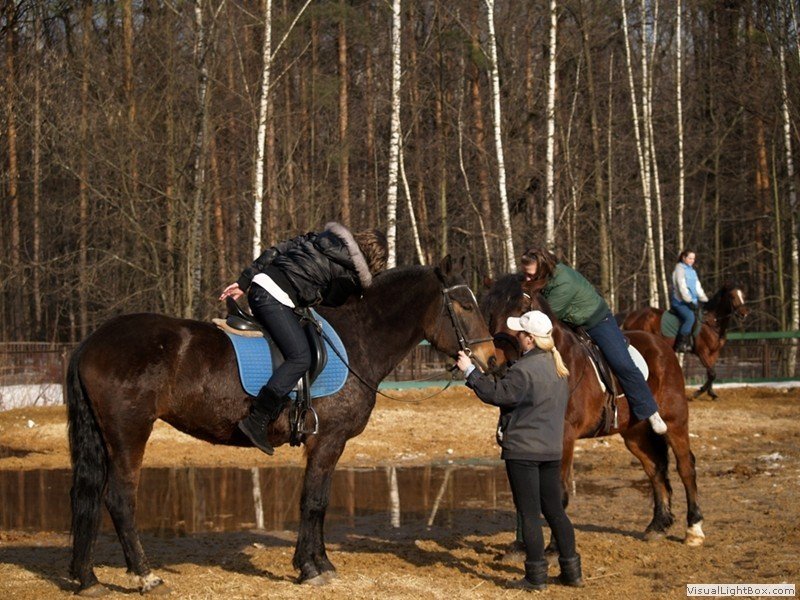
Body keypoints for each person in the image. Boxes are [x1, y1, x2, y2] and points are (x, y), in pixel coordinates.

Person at [219, 222, 388, 456]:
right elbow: (332, 302)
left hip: (261, 286)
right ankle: (257, 418)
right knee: (301, 358)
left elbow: (277, 249)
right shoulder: (349, 273)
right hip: (273, 298)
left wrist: (246, 279)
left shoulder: (322, 238)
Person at [456, 310, 583, 590]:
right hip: (551, 450)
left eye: (520, 334)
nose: (517, 337)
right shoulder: (559, 368)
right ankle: (572, 571)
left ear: (529, 339)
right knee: (555, 512)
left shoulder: (524, 370)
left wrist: (469, 371)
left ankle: (536, 576)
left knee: (528, 514)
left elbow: (497, 394)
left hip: (524, 452)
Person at [519, 247, 667, 435]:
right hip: (570, 321)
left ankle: (649, 410)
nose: (527, 279)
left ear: (542, 269)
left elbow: (545, 316)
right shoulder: (540, 278)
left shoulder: (564, 282)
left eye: (530, 275)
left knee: (621, 363)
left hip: (596, 322)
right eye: (525, 274)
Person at [671, 250, 708, 353]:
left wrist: (705, 299)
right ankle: (680, 343)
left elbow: (697, 287)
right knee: (690, 317)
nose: (692, 260)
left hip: (692, 302)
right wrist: (688, 301)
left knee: (702, 317)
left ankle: (695, 343)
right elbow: (681, 287)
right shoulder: (679, 270)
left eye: (693, 258)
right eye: (690, 258)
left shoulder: (692, 271)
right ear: (684, 258)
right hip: (680, 302)